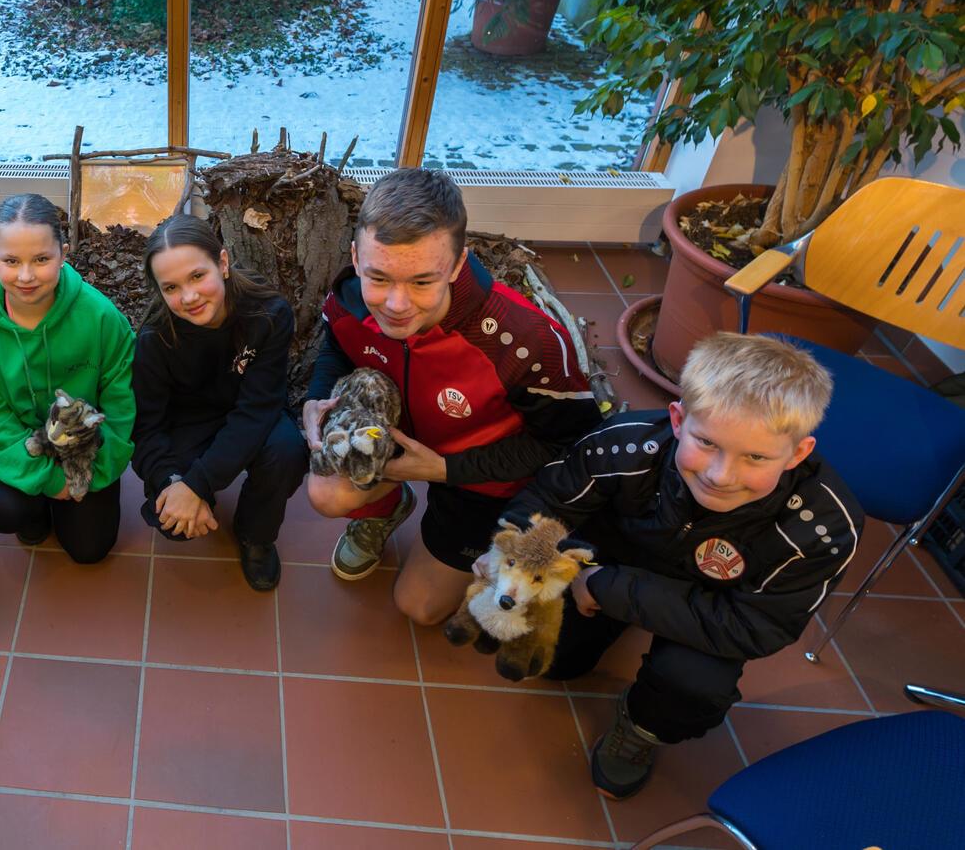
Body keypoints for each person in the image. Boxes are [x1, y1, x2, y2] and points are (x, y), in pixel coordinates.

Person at [500, 332, 863, 799]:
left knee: (692, 686)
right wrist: (514, 554)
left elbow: (755, 627)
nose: (720, 475)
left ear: (798, 453)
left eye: (755, 457)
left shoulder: (822, 530)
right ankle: (608, 620)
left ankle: (641, 730)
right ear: (677, 419)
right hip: (614, 559)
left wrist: (612, 589)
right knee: (555, 663)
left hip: (714, 605)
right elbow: (549, 501)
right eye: (707, 442)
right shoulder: (624, 447)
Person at [303, 167, 603, 620]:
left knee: (419, 608)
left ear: (459, 264)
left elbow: (567, 444)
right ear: (356, 257)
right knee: (327, 493)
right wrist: (318, 397)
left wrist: (446, 469)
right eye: (379, 277)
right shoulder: (348, 297)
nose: (396, 305)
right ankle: (387, 509)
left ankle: (505, 544)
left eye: (422, 281)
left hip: (482, 477)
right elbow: (336, 348)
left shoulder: (525, 340)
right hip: (397, 443)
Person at [0, 193, 135, 561]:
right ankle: (32, 512)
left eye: (42, 259)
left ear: (63, 254)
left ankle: (66, 508)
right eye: (11, 261)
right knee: (5, 510)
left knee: (90, 549)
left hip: (86, 451)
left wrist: (93, 473)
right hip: (21, 446)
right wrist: (49, 480)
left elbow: (121, 401)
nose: (26, 276)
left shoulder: (100, 317)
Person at [131, 214, 307, 591]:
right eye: (172, 287)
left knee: (287, 452)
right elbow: (146, 427)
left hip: (249, 411)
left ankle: (255, 534)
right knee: (170, 521)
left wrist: (199, 483)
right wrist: (173, 482)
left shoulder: (268, 314)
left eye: (198, 276)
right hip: (188, 421)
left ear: (223, 263)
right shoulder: (154, 339)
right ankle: (188, 494)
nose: (189, 297)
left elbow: (258, 409)